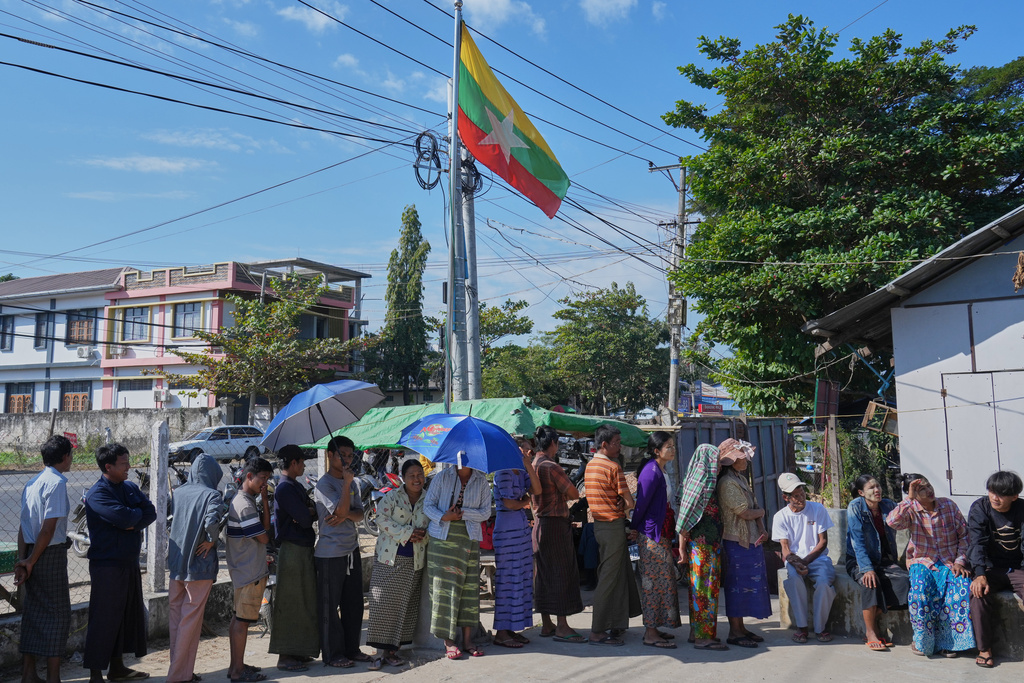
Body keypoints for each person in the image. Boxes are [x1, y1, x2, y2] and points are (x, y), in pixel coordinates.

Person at [83, 443, 156, 683]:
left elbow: (150, 512)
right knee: (104, 618)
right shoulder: (97, 494)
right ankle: (95, 673)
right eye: (124, 464)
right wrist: (132, 517)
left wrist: (131, 520)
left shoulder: (130, 487)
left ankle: (117, 668)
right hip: (107, 566)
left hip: (129, 562)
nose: (129, 467)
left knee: (126, 617)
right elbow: (126, 516)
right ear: (108, 466)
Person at [886, 473, 974, 657]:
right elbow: (892, 521)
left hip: (950, 561)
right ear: (913, 494)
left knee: (961, 588)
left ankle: (949, 643)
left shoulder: (948, 505)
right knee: (919, 592)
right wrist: (908, 499)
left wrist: (960, 561)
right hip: (922, 561)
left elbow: (964, 536)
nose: (929, 491)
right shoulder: (910, 510)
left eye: (928, 485)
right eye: (921, 490)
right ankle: (922, 642)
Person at [15, 435, 74, 683]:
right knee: (58, 615)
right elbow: (48, 530)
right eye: (70, 453)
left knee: (33, 612)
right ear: (64, 457)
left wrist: (23, 559)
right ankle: (53, 677)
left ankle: (29, 675)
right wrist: (31, 561)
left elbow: (23, 526)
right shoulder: (56, 483)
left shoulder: (32, 482)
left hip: (30, 551)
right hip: (47, 554)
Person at [423, 460, 492, 659]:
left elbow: (485, 512)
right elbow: (428, 505)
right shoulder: (441, 477)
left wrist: (461, 515)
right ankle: (449, 641)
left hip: (469, 540)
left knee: (469, 588)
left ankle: (468, 640)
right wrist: (445, 517)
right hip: (441, 539)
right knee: (444, 589)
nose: (464, 457)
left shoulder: (481, 481)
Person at [366, 458, 430, 670]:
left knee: (405, 608)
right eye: (411, 475)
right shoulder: (392, 497)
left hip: (415, 562)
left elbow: (434, 526)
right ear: (403, 478)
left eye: (419, 475)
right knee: (383, 604)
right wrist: (407, 533)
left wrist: (424, 536)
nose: (416, 479)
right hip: (389, 560)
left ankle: (392, 652)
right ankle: (380, 652)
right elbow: (381, 520)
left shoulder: (428, 500)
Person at [166, 454, 224, 683]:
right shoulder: (212, 495)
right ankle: (178, 675)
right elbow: (211, 522)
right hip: (199, 565)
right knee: (190, 621)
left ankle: (181, 671)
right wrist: (212, 540)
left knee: (176, 619)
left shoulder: (178, 492)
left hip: (176, 564)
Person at [313, 436, 369, 668]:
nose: (347, 460)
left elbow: (358, 514)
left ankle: (351, 649)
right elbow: (341, 509)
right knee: (329, 606)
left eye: (349, 455)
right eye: (342, 455)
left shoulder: (353, 483)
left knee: (353, 604)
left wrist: (345, 513)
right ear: (330, 455)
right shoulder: (324, 485)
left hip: (351, 550)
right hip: (330, 554)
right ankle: (333, 654)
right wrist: (345, 488)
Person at [585, 424, 641, 646]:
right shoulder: (613, 467)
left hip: (599, 526)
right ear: (604, 444)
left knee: (618, 574)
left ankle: (617, 623)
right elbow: (629, 502)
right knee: (609, 578)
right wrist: (627, 503)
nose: (620, 447)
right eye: (616, 444)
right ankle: (597, 630)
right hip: (612, 526)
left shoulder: (590, 466)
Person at [530, 425, 586, 643]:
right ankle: (562, 625)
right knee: (562, 573)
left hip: (540, 524)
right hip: (555, 525)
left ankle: (547, 624)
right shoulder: (551, 467)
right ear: (553, 443)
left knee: (543, 574)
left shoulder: (533, 464)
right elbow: (573, 493)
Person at [845, 473, 909, 652]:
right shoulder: (855, 507)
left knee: (906, 582)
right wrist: (866, 569)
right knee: (870, 583)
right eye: (871, 488)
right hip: (858, 561)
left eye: (878, 486)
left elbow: (904, 515)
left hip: (884, 561)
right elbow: (857, 541)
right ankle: (871, 632)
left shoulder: (887, 505)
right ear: (861, 492)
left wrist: (911, 496)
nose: (877, 490)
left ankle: (871, 617)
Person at [716, 438, 771, 648]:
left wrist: (762, 526)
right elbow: (744, 511)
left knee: (748, 584)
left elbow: (752, 506)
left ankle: (741, 628)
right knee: (737, 586)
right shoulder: (727, 483)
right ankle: (735, 631)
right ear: (731, 461)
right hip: (737, 541)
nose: (745, 460)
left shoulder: (738, 478)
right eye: (741, 457)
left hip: (749, 539)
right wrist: (762, 513)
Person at [967, 470, 1024, 669]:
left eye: (1000, 494)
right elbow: (977, 542)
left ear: (1014, 496)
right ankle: (984, 649)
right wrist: (980, 573)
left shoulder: (1022, 508)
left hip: (1018, 568)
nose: (994, 497)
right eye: (991, 491)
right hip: (990, 569)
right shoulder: (980, 507)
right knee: (978, 595)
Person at [270, 445, 319, 671]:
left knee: (304, 600)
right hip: (292, 550)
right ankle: (285, 655)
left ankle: (298, 650)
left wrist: (308, 511)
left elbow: (312, 511)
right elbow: (307, 517)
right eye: (302, 462)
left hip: (302, 547)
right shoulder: (285, 489)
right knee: (290, 602)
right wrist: (307, 512)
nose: (304, 466)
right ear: (294, 463)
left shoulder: (294, 486)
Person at [630, 431, 681, 649]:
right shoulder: (651, 472)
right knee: (652, 584)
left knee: (663, 582)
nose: (673, 449)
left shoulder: (661, 470)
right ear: (656, 451)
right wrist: (634, 528)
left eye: (672, 445)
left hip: (661, 533)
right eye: (668, 446)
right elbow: (640, 505)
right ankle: (650, 633)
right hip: (651, 535)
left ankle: (655, 626)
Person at [772, 473, 835, 643]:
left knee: (824, 585)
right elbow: (784, 547)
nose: (801, 498)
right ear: (786, 497)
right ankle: (802, 628)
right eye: (795, 496)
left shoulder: (817, 509)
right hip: (794, 560)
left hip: (818, 559)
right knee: (793, 579)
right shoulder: (780, 517)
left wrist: (805, 562)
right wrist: (794, 562)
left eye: (802, 493)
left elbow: (823, 542)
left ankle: (820, 628)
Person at [675, 443, 728, 651]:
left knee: (699, 590)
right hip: (702, 548)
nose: (719, 466)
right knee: (704, 591)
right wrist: (681, 546)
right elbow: (685, 517)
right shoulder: (701, 484)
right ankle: (703, 638)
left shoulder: (701, 483)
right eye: (716, 461)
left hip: (705, 547)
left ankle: (695, 632)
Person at [491, 436, 542, 649]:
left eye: (530, 451)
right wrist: (524, 501)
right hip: (507, 531)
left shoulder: (521, 471)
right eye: (526, 450)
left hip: (520, 530)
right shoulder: (502, 473)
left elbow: (537, 490)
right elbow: (511, 503)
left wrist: (528, 466)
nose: (529, 453)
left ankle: (513, 627)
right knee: (507, 580)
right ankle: (502, 632)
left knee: (521, 578)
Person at [225, 457, 273, 683]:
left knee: (239, 620)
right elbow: (264, 537)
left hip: (245, 569)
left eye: (267, 479)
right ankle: (236, 671)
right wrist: (263, 501)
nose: (265, 483)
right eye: (262, 478)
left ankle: (237, 666)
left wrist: (263, 499)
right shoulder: (244, 504)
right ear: (249, 476)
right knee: (242, 622)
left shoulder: (247, 500)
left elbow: (263, 530)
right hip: (248, 571)